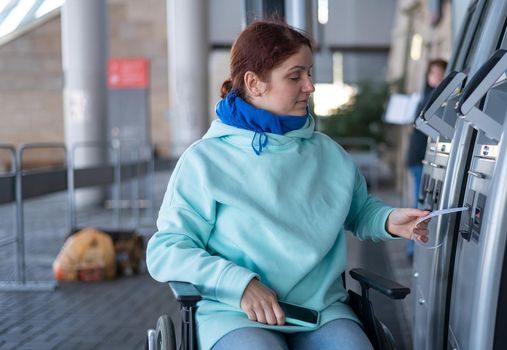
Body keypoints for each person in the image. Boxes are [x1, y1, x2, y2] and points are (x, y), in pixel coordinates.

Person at [146, 20, 430, 350]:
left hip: (320, 311)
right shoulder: (205, 161)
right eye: (295, 76)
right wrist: (239, 284)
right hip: (235, 310)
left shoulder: (328, 154)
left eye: (309, 73)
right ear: (254, 83)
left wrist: (388, 220)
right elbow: (166, 249)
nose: (309, 86)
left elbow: (359, 211)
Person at [405, 59, 447, 259]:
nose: (436, 77)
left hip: (420, 157)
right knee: (419, 203)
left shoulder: (426, 96)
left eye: (440, 73)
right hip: (420, 157)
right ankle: (413, 249)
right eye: (434, 73)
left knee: (420, 202)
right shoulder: (432, 97)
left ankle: (413, 249)